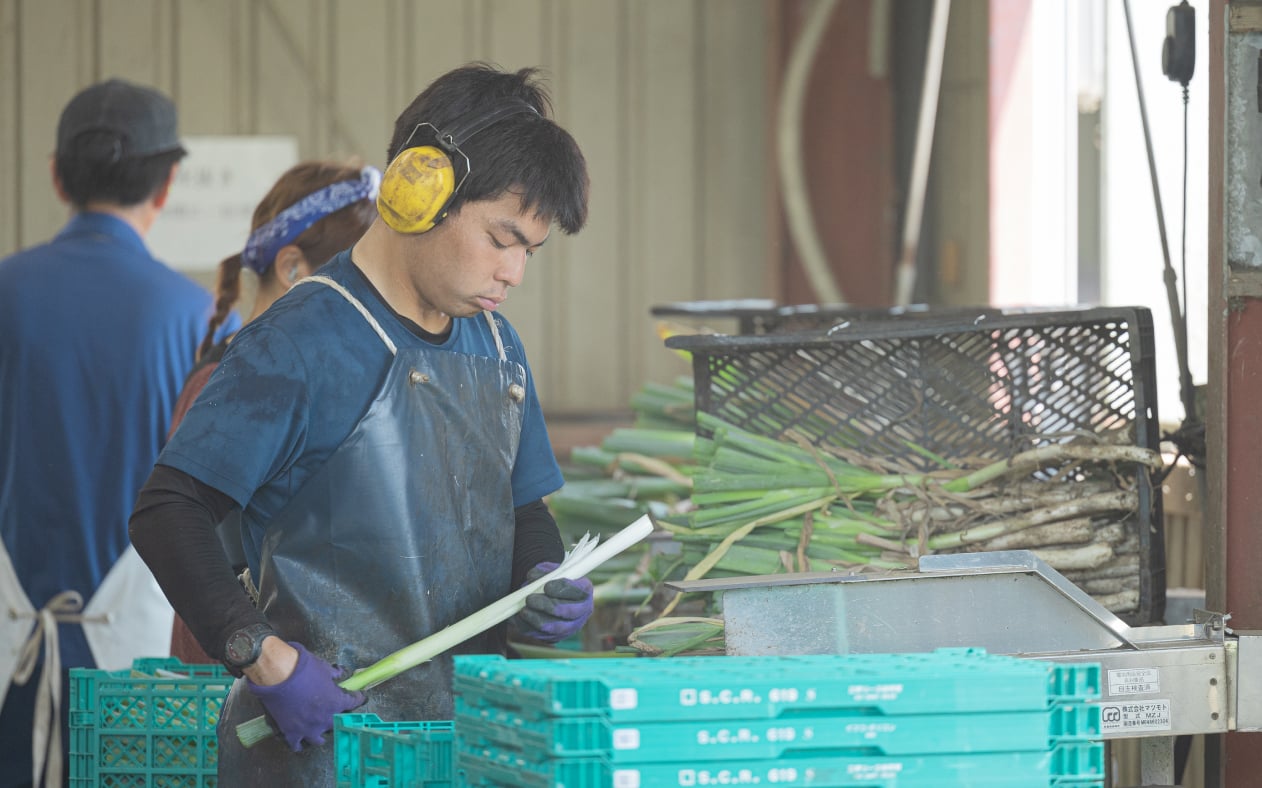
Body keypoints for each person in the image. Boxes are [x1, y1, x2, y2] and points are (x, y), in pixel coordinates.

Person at [129, 62, 594, 785]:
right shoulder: (303, 341)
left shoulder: (499, 349)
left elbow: (522, 507)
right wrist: (266, 659)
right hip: (325, 753)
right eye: (502, 238)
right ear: (420, 190)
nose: (514, 273)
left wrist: (540, 581)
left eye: (529, 251)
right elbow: (169, 511)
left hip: (467, 751)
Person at [0, 79, 235, 788]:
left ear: (55, 174)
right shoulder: (202, 323)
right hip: (143, 665)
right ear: (166, 185)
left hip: (11, 644)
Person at [167, 160, 380, 664]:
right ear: (291, 269)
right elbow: (212, 557)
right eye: (359, 284)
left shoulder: (311, 377)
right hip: (241, 675)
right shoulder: (225, 386)